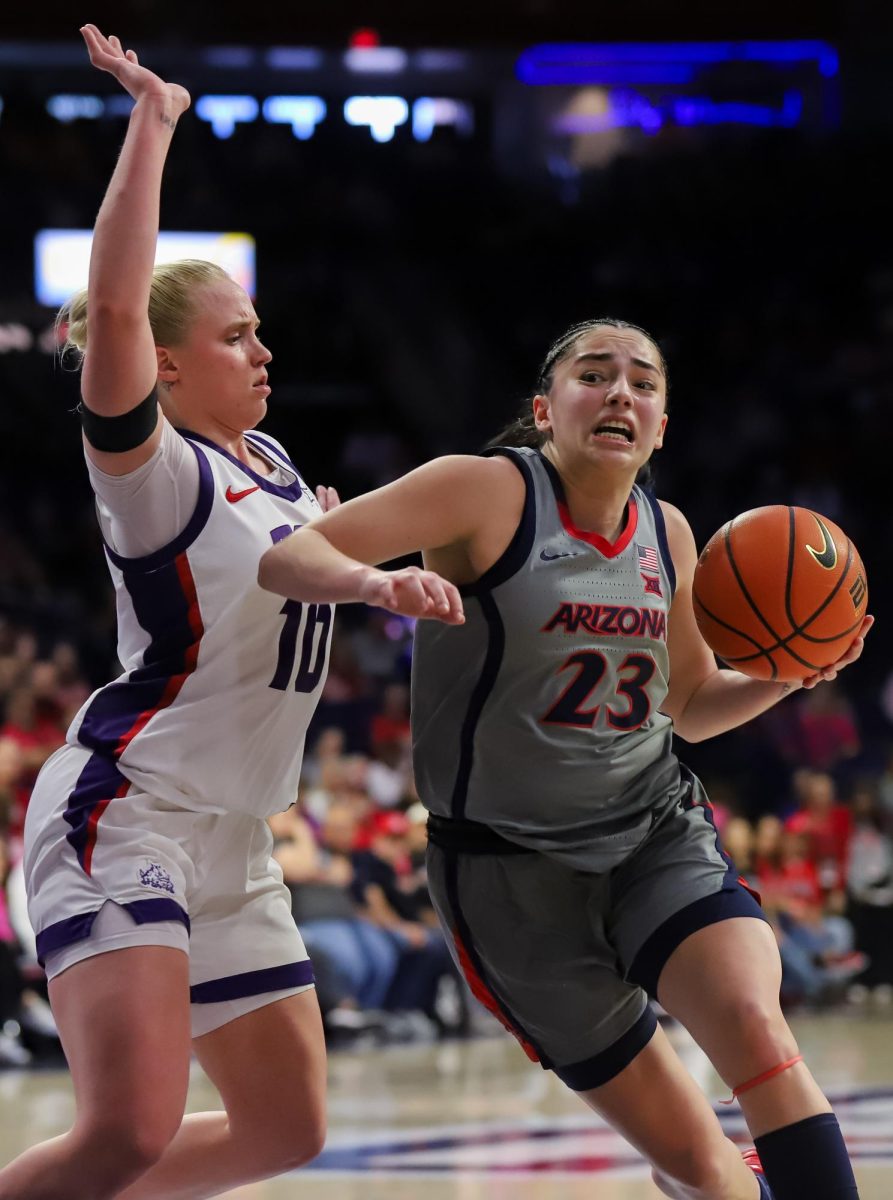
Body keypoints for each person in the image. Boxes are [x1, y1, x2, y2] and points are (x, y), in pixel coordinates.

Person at [259, 316, 872, 1200]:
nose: (621, 390)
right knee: (707, 1170)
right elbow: (289, 560)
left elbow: (690, 708)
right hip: (507, 883)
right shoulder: (480, 491)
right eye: (596, 374)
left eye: (644, 382)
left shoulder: (669, 535)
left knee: (754, 1026)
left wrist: (790, 671)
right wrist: (375, 582)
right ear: (545, 411)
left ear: (660, 426)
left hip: (650, 834)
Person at [0, 26, 339, 1200]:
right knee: (126, 1133)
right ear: (169, 365)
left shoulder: (277, 467)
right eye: (236, 333)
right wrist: (153, 120)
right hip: (130, 812)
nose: (265, 350)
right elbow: (113, 298)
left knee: (287, 1130)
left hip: (235, 838)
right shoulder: (156, 474)